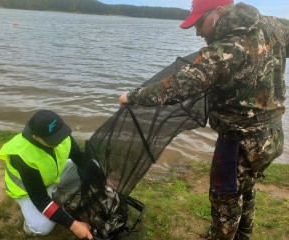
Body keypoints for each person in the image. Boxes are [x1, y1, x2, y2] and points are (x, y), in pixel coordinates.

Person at [119, 0, 288, 239]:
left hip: (237, 143)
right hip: (271, 138)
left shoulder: (221, 52)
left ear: (219, 12)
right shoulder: (275, 26)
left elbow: (176, 88)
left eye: (199, 23)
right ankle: (244, 234)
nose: (198, 32)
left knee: (224, 199)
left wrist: (132, 97)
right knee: (247, 185)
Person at [0, 110, 95, 239]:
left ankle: (55, 196)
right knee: (43, 227)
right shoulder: (22, 155)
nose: (61, 140)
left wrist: (102, 179)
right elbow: (40, 198)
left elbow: (79, 158)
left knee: (91, 166)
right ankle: (30, 225)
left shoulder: (62, 136)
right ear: (35, 137)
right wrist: (73, 225)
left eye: (61, 133)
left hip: (50, 178)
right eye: (54, 139)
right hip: (26, 191)